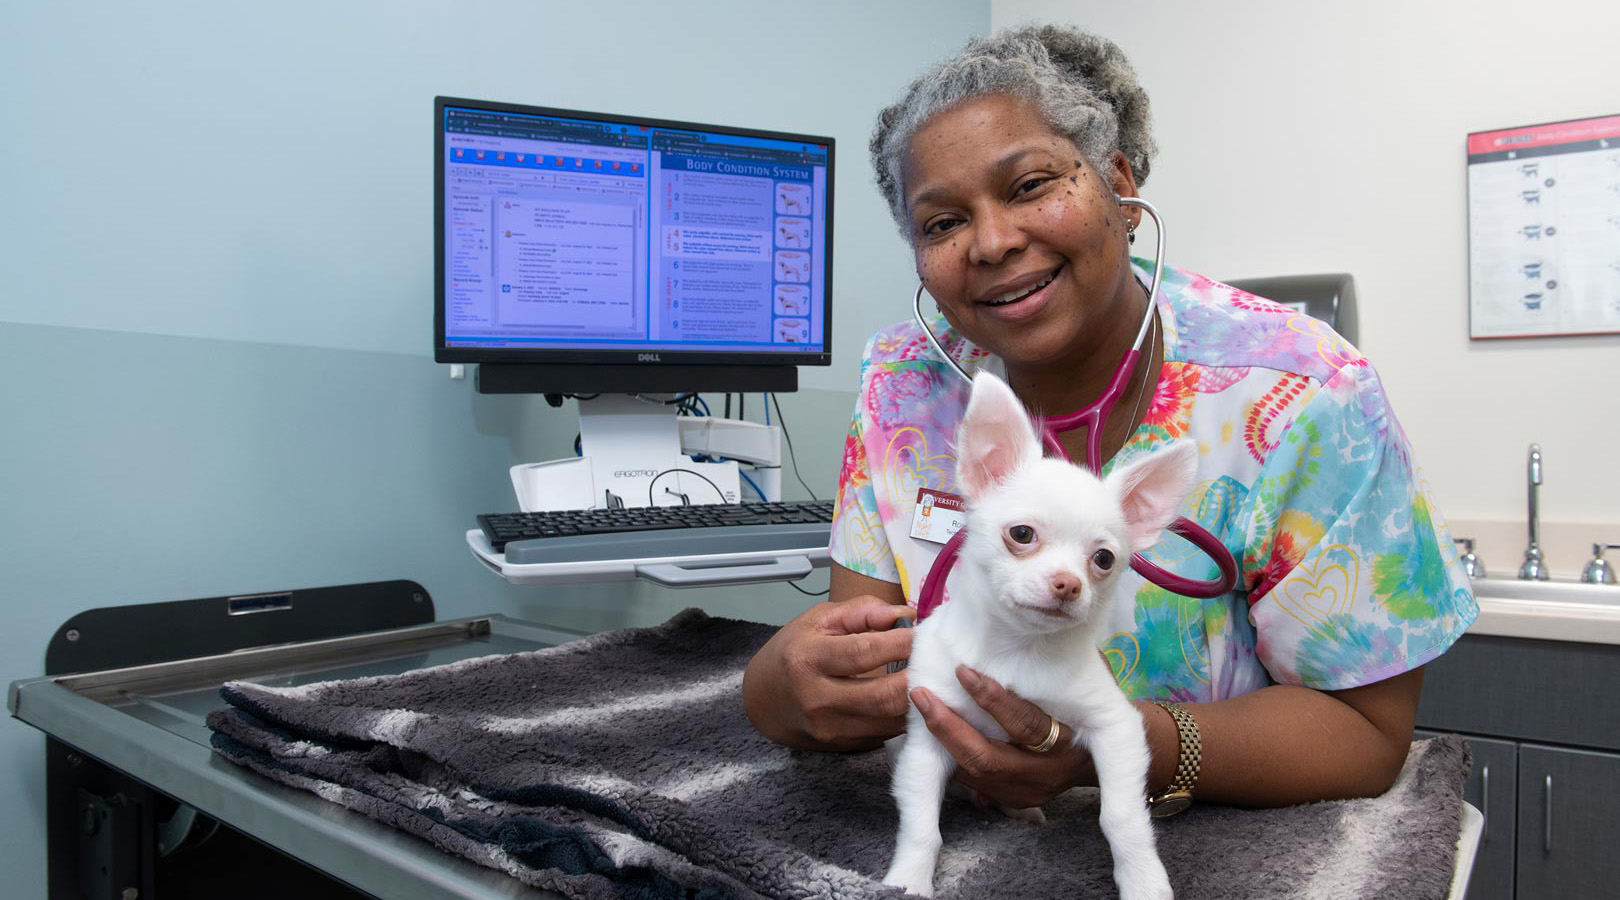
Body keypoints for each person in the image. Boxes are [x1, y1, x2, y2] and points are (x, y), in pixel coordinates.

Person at [741, 25, 1478, 810]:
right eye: (943, 223)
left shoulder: (1306, 394)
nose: (990, 242)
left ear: (1120, 185)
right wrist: (776, 690)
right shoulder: (903, 385)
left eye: (1029, 186)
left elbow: (1366, 735)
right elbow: (862, 665)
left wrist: (1122, 745)